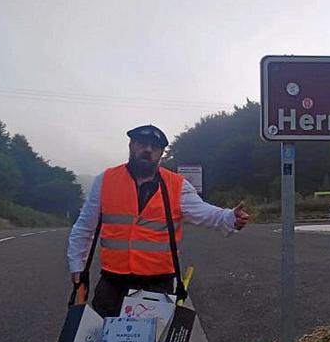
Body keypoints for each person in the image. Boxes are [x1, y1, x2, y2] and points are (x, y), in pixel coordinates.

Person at [67, 124, 250, 317]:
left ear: (161, 153)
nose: (148, 150)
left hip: (156, 285)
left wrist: (229, 217)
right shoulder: (105, 180)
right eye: (142, 144)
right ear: (131, 145)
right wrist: (77, 266)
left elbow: (204, 212)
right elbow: (84, 227)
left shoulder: (177, 185)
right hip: (112, 283)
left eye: (155, 147)